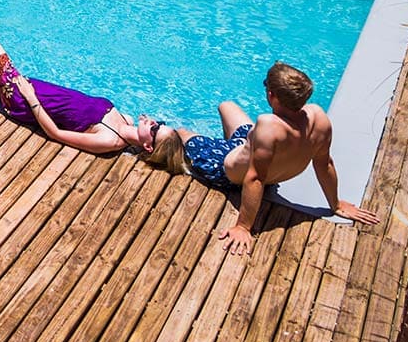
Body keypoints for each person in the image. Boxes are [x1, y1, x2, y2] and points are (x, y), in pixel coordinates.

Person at [147, 62, 381, 254]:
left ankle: (145, 135)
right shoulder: (318, 119)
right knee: (226, 106)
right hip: (245, 148)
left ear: (271, 95)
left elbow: (255, 179)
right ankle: (230, 146)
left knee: (180, 133)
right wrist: (335, 204)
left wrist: (243, 226)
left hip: (223, 168)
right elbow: (324, 163)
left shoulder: (268, 128)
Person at [0, 36, 166, 157]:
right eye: (158, 123)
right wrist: (141, 125)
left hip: (23, 99)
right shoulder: (124, 119)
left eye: (155, 130)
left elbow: (56, 134)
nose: (153, 123)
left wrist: (30, 97)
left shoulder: (109, 140)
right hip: (34, 89)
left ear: (148, 147)